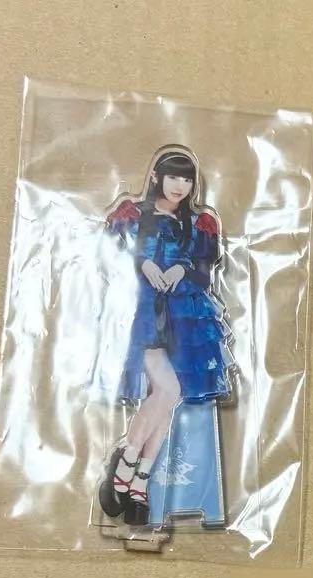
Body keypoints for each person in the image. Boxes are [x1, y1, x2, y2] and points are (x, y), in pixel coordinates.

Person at [97, 148, 232, 526]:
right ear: (155, 176)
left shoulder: (200, 223)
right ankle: (126, 463)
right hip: (141, 311)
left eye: (187, 179)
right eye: (173, 176)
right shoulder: (132, 215)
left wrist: (180, 271)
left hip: (184, 315)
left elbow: (205, 273)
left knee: (166, 398)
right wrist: (142, 263)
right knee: (168, 391)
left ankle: (137, 480)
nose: (180, 186)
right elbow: (109, 259)